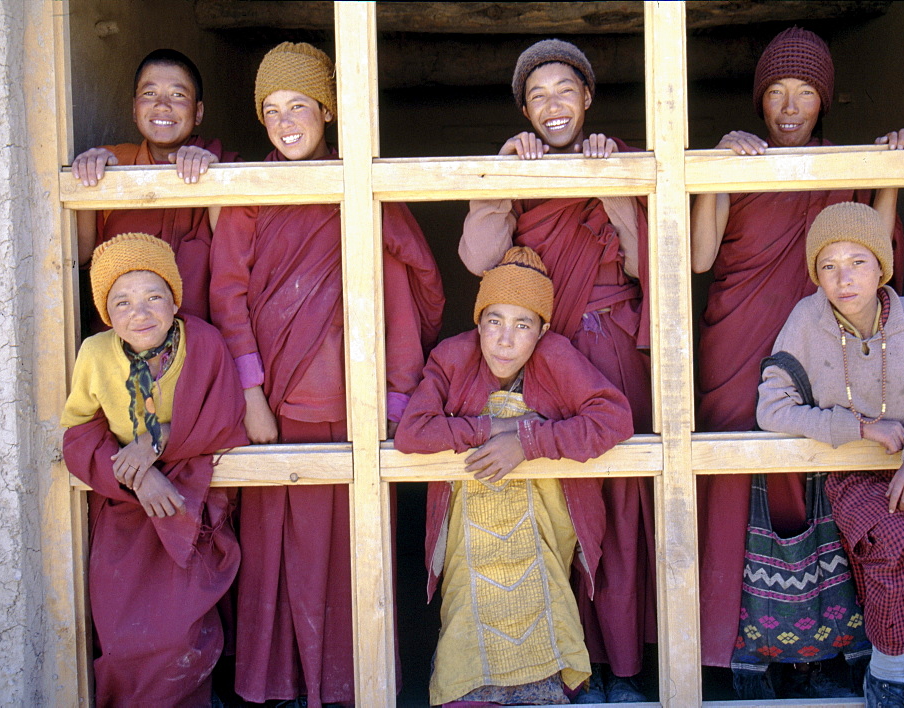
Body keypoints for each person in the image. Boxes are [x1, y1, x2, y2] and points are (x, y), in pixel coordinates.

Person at [209, 42, 444, 706]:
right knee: (277, 554)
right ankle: (278, 686)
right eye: (273, 110)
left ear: (328, 112)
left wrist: (397, 399)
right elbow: (227, 296)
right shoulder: (251, 190)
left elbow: (408, 288)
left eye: (301, 106)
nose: (287, 123)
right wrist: (251, 395)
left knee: (354, 554)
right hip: (276, 407)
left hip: (356, 404)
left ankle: (350, 686)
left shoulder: (361, 184)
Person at [689, 26, 904, 680]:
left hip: (823, 352)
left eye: (806, 94)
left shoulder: (843, 167)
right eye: (777, 93)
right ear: (759, 101)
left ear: (825, 102)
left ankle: (826, 650)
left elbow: (883, 264)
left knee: (828, 477)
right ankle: (731, 653)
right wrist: (714, 172)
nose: (790, 108)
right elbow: (703, 258)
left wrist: (889, 172)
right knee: (735, 480)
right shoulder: (740, 161)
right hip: (737, 348)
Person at [458, 38, 654, 703]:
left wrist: (616, 181)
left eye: (565, 90)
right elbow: (480, 258)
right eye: (538, 95)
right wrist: (501, 174)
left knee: (619, 503)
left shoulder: (620, 159)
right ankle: (560, 666)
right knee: (554, 505)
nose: (553, 105)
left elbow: (648, 260)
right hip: (541, 358)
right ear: (524, 109)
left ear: (589, 98)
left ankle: (625, 668)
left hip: (609, 350)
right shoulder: (518, 168)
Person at [395, 246, 634, 706]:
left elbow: (614, 419)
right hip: (471, 541)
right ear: (478, 321)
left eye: (523, 325)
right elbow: (412, 433)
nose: (505, 340)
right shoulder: (453, 357)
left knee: (545, 603)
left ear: (542, 331)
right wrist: (489, 429)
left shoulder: (556, 356)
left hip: (540, 531)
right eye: (494, 321)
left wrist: (527, 443)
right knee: (468, 611)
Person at [757, 201, 904, 707]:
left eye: (858, 262)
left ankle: (897, 659)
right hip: (850, 474)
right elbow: (772, 407)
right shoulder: (807, 321)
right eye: (828, 267)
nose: (843, 278)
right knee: (898, 541)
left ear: (882, 266)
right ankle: (890, 672)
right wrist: (857, 427)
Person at [61, 232, 248, 706]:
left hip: (188, 509)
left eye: (153, 297)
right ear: (105, 311)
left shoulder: (202, 342)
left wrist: (155, 439)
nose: (139, 313)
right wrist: (140, 474)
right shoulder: (94, 353)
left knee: (181, 638)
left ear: (174, 300)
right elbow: (79, 432)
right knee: (123, 640)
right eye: (121, 302)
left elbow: (224, 417)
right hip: (125, 512)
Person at [72, 49, 239, 324]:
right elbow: (77, 256)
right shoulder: (112, 165)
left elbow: (234, 252)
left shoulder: (223, 164)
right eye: (150, 94)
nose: (162, 105)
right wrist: (88, 179)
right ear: (134, 109)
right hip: (122, 344)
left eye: (178, 95)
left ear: (198, 112)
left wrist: (215, 177)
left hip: (199, 343)